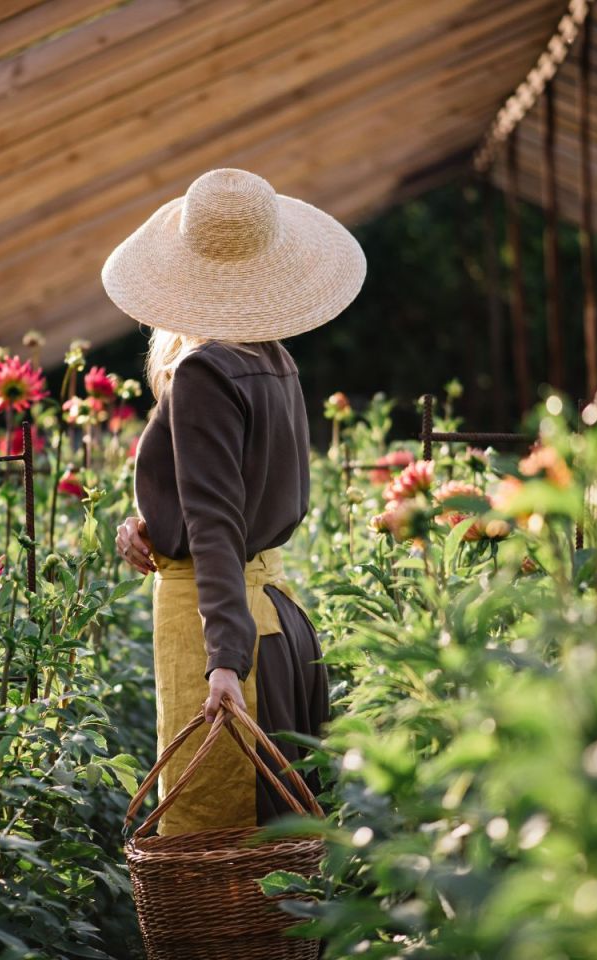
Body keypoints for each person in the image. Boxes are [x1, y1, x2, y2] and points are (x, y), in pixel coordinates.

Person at [102, 168, 366, 836]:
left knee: (221, 850)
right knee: (281, 854)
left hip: (223, 628)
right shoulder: (273, 360)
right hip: (276, 618)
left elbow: (218, 526)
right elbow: (235, 502)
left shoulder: (201, 371)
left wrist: (224, 661)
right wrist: (153, 525)